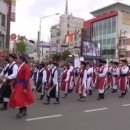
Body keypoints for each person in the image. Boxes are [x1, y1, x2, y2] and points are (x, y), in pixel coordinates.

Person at [9, 54, 34, 119]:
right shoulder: (20, 66)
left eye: (17, 58)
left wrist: (25, 87)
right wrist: (14, 84)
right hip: (19, 85)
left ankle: (22, 112)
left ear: (21, 59)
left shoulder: (25, 67)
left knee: (21, 98)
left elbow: (27, 78)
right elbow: (17, 77)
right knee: (20, 98)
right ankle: (23, 111)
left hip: (23, 85)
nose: (16, 59)